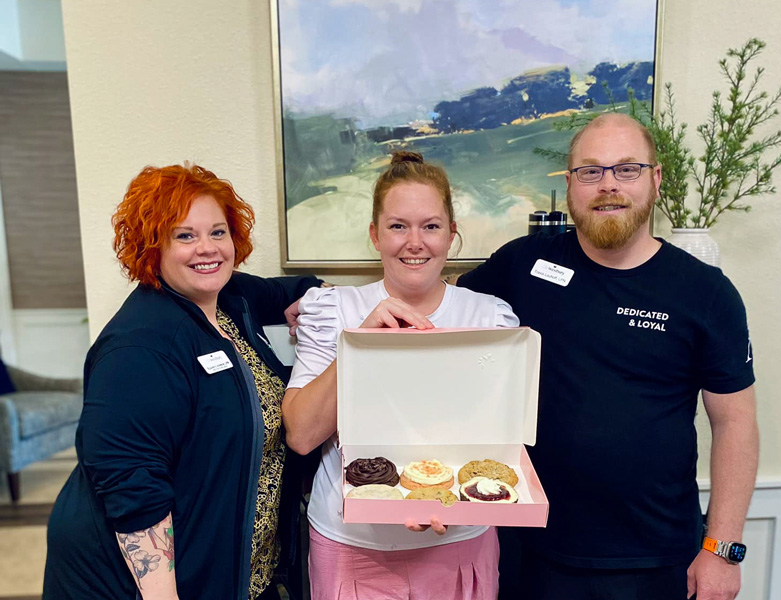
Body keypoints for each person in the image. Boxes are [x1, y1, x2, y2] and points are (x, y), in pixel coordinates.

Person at [456, 113, 759, 600]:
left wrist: (722, 550)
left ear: (655, 180)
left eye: (627, 169)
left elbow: (736, 422)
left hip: (654, 557)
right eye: (591, 171)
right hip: (528, 547)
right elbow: (440, 312)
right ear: (571, 183)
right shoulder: (523, 264)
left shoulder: (706, 293)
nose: (608, 185)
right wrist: (321, 301)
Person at [43, 164, 322, 600]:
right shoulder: (138, 348)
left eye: (218, 232)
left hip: (240, 572)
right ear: (152, 246)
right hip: (149, 582)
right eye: (184, 236)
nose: (206, 249)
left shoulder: (229, 298)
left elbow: (301, 288)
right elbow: (133, 491)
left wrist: (323, 306)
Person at [281, 151, 519, 600]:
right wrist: (359, 343)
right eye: (397, 226)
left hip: (460, 539)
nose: (415, 242)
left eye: (431, 226)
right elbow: (301, 434)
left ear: (452, 235)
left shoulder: (489, 316)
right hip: (350, 544)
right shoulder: (334, 309)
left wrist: (438, 496)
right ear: (374, 235)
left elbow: (498, 437)